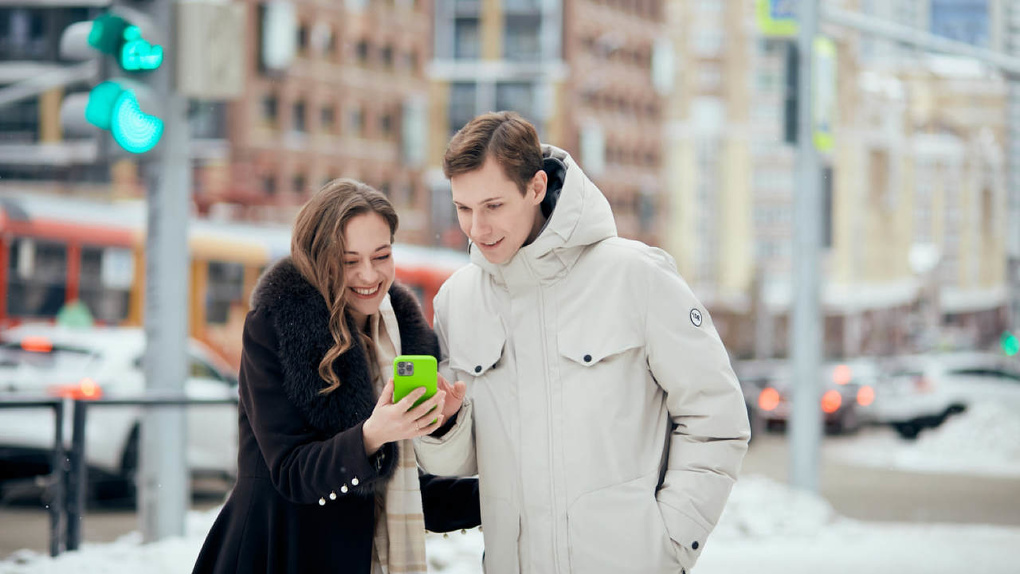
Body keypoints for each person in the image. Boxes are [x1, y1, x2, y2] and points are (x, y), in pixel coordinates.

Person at [416, 112, 751, 574]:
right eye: (463, 208)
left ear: (535, 187)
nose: (476, 228)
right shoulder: (459, 300)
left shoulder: (636, 276)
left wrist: (670, 543)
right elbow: (466, 460)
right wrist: (442, 426)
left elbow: (717, 418)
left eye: (493, 206)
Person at [193, 179, 480, 574]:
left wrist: (490, 492)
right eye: (349, 261)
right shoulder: (277, 327)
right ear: (319, 259)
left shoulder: (402, 338)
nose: (369, 275)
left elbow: (403, 490)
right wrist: (372, 435)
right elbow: (292, 473)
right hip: (280, 551)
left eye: (381, 255)